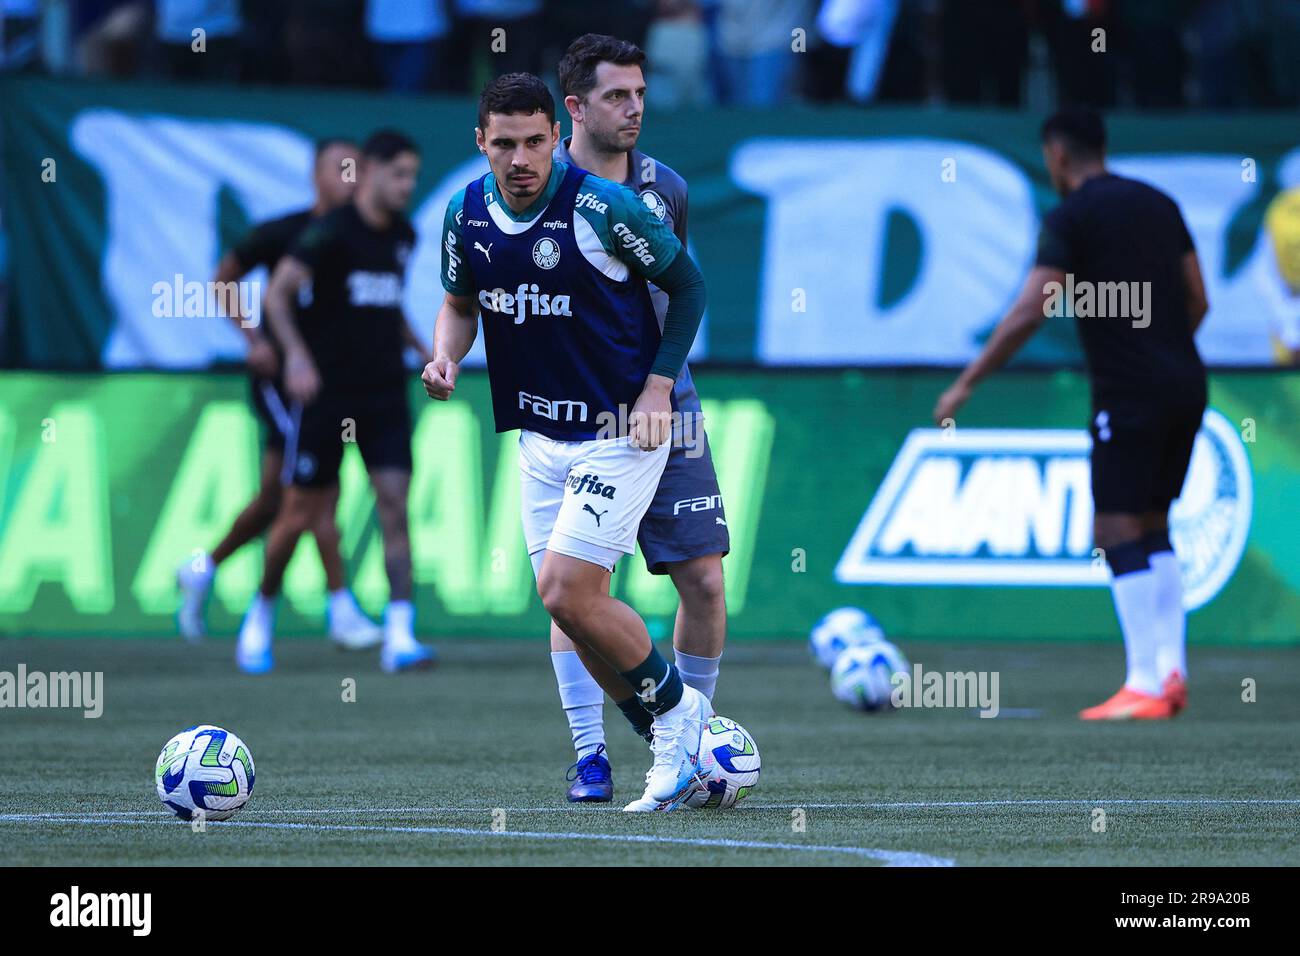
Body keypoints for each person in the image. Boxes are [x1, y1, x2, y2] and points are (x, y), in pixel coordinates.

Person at [425, 72, 712, 809]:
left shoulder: (603, 207)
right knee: (569, 610)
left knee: (567, 588)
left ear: (557, 136)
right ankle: (674, 740)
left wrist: (657, 387)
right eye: (503, 144)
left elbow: (689, 287)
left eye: (533, 141)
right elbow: (459, 305)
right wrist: (447, 354)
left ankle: (683, 721)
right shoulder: (464, 216)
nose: (519, 158)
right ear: (481, 144)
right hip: (536, 436)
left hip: (617, 430)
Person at [933, 107, 1209, 721]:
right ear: (1100, 147)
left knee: (1113, 530)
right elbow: (1199, 297)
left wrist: (965, 386)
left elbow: (1031, 310)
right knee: (1153, 524)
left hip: (1129, 393)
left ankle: (1142, 683)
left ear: (1056, 155)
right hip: (1187, 384)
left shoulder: (1072, 215)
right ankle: (1169, 671)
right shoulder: (1159, 202)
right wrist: (1163, 350)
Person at [548, 33, 729, 807]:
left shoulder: (668, 188)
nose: (634, 110)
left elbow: (681, 292)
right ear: (576, 106)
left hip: (668, 404)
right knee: (581, 587)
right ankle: (592, 753)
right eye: (618, 96)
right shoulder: (537, 189)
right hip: (578, 412)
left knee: (706, 580)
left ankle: (698, 740)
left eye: (641, 95)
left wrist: (661, 384)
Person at [237, 129, 435, 675]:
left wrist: (426, 352)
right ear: (369, 172)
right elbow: (276, 295)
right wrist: (296, 357)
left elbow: (387, 307)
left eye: (413, 177)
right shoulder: (328, 233)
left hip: (384, 396)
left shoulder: (404, 235)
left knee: (395, 506)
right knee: (297, 512)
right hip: (327, 397)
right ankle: (260, 615)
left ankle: (400, 636)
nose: (407, 186)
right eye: (398, 174)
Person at [177, 138, 380, 652]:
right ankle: (341, 608)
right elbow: (224, 277)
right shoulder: (287, 232)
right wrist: (254, 339)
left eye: (357, 169)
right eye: (341, 168)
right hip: (286, 384)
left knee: (276, 498)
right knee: (315, 494)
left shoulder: (362, 239)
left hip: (334, 385)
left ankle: (202, 569)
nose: (351, 178)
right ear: (316, 175)